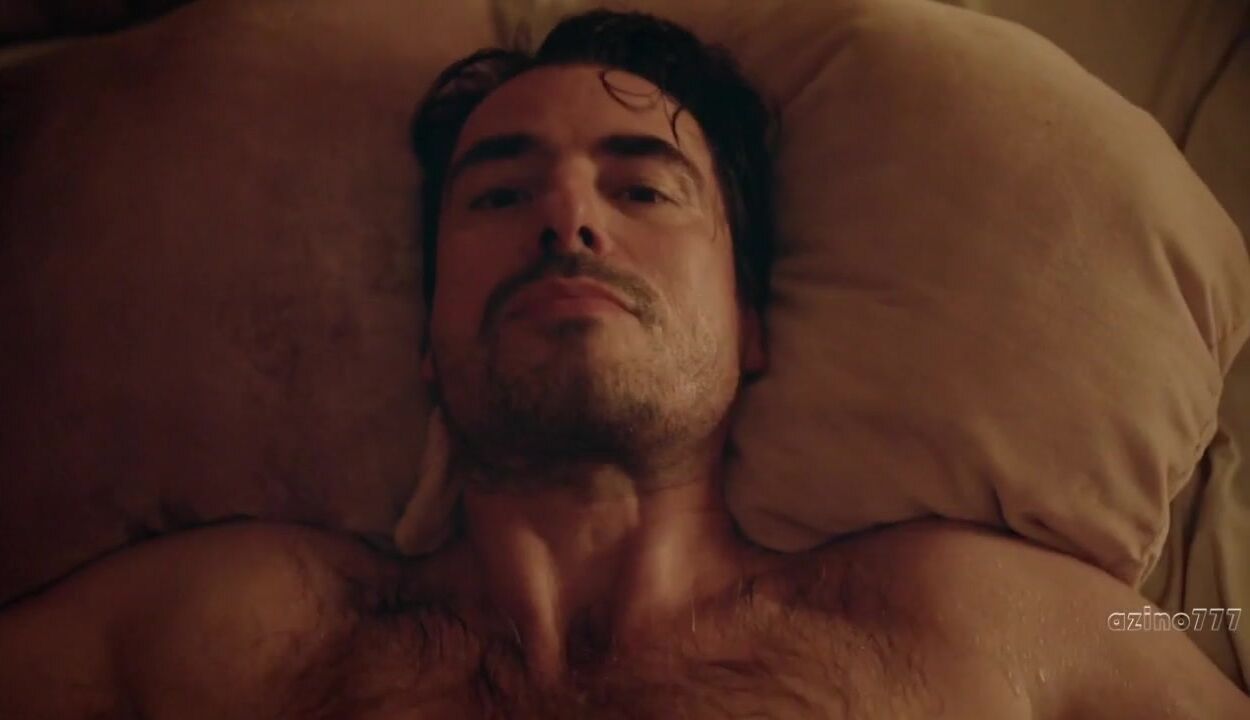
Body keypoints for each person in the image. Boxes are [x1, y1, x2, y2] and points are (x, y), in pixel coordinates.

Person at [2, 10, 1248, 719]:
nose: (567, 219)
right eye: (499, 195)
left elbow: (1207, 630)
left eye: (641, 187)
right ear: (427, 337)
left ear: (749, 322)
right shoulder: (236, 628)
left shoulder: (965, 619)